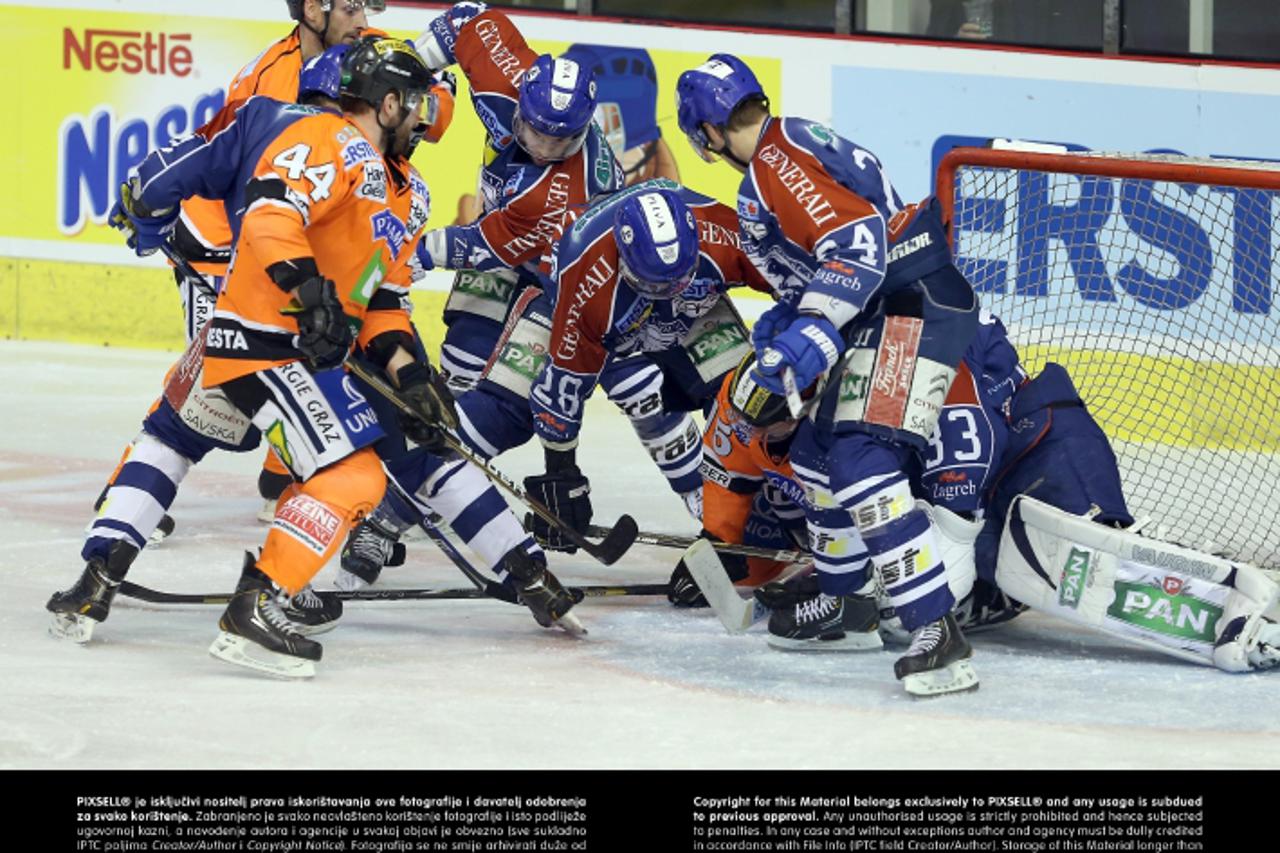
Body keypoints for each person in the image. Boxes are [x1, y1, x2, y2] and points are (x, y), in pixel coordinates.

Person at [676, 55, 982, 697]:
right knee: (813, 454)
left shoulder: (773, 162)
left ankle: (937, 629)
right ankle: (849, 605)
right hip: (887, 303)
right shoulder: (786, 143)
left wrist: (808, 337)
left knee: (858, 455)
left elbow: (857, 246)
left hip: (906, 302)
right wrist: (786, 333)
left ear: (706, 129)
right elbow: (824, 263)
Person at [340, 179, 771, 580]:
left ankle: (761, 517)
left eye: (679, 279)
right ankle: (385, 519)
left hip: (690, 316)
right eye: (655, 285)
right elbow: (563, 387)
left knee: (750, 395)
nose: (669, 292)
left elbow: (795, 286)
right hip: (583, 316)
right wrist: (562, 474)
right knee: (498, 414)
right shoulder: (586, 279)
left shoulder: (725, 235)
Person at [411, 2, 624, 392]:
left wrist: (414, 252)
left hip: (562, 272)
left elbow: (484, 244)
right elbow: (469, 18)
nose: (543, 148)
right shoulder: (503, 76)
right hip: (505, 228)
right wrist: (412, 69)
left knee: (519, 393)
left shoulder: (569, 190)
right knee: (462, 361)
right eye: (535, 132)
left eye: (559, 141)